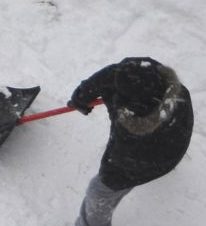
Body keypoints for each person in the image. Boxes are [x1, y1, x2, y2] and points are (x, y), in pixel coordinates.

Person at [66, 57, 194, 226]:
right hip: (173, 138)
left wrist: (107, 179)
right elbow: (118, 72)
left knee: (99, 192)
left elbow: (112, 175)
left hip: (162, 159)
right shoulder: (163, 81)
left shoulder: (132, 143)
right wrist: (82, 95)